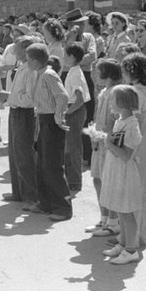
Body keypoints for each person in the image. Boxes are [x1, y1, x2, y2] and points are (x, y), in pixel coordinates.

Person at [24, 43, 72, 222]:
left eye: (29, 59)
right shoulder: (40, 74)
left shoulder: (49, 75)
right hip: (43, 120)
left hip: (51, 121)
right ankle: (45, 202)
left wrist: (59, 117)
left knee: (53, 166)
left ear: (36, 61)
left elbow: (62, 96)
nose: (27, 62)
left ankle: (63, 207)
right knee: (42, 163)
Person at [101, 85, 145, 265]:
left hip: (125, 173)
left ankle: (131, 249)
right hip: (116, 171)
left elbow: (126, 154)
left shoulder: (132, 125)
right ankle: (123, 243)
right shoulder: (120, 121)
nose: (110, 103)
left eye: (113, 100)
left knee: (127, 213)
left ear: (124, 103)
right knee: (120, 209)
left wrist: (108, 144)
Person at [84, 59, 122, 237]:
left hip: (109, 143)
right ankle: (104, 218)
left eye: (98, 71)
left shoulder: (115, 92)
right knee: (98, 179)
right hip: (99, 141)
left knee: (108, 182)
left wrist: (105, 135)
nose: (95, 75)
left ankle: (113, 222)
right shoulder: (104, 91)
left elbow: (116, 118)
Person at [0, 36, 39, 204]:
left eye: (17, 48)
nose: (14, 51)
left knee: (24, 155)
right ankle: (18, 192)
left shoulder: (31, 70)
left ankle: (30, 195)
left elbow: (29, 99)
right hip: (16, 111)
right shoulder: (22, 66)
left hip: (25, 113)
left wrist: (11, 98)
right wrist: (9, 97)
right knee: (15, 153)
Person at [121, 52, 146, 246]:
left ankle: (136, 237)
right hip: (144, 143)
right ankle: (137, 234)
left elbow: (129, 122)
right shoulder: (144, 90)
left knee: (133, 191)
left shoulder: (136, 93)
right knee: (138, 191)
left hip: (136, 145)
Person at [63, 42, 90, 192]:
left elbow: (79, 98)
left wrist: (68, 111)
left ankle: (75, 180)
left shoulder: (75, 73)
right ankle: (70, 176)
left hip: (74, 110)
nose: (63, 57)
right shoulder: (74, 71)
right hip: (73, 109)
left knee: (74, 146)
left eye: (65, 55)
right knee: (70, 144)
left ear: (72, 57)